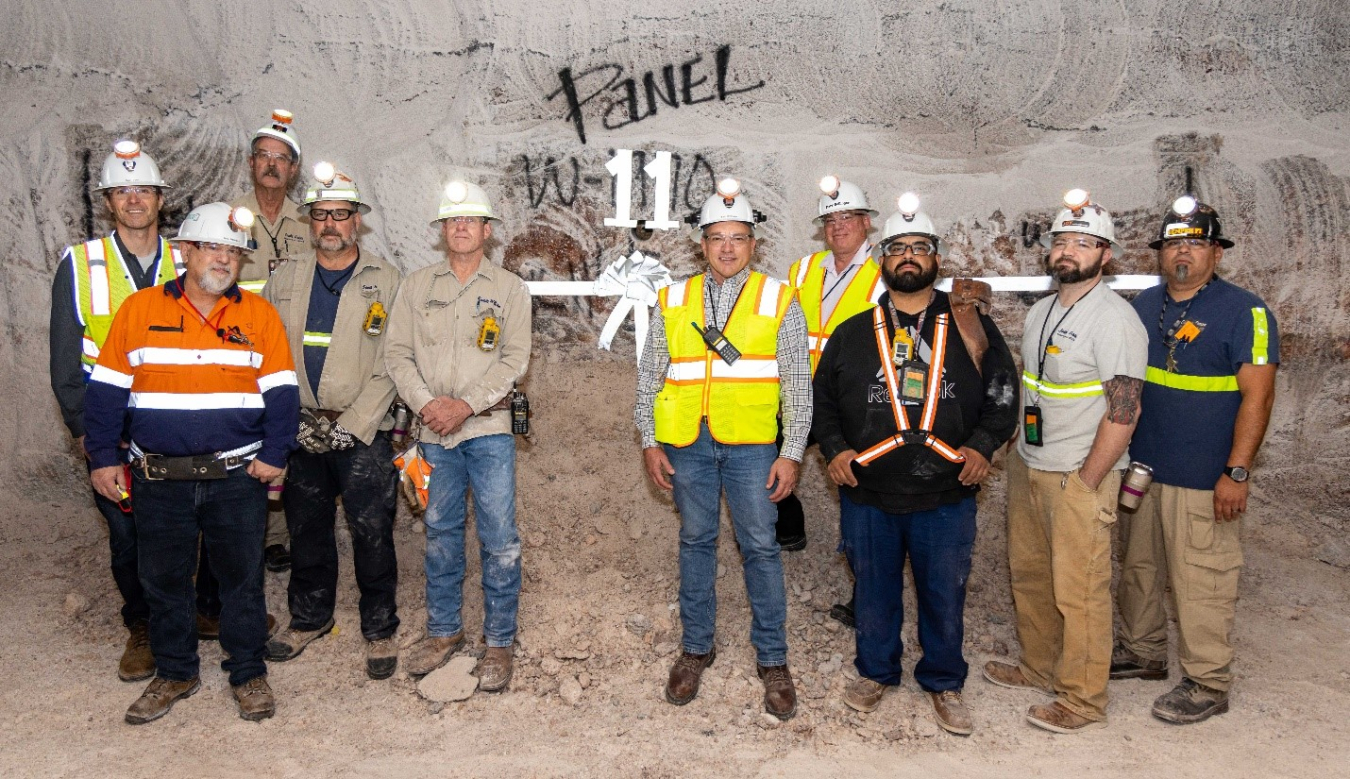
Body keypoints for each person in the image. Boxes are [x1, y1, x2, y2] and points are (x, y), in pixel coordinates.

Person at [84, 203, 299, 724]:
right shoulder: (138, 311)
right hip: (158, 477)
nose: (224, 259)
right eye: (212, 247)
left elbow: (283, 394)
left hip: (234, 476)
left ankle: (248, 673)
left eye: (233, 251)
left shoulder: (258, 316)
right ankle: (176, 670)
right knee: (164, 580)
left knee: (241, 580)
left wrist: (274, 455)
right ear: (185, 252)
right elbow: (107, 392)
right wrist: (102, 459)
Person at [813, 194, 1018, 735]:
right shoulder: (854, 331)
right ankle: (875, 671)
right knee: (874, 589)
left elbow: (1002, 392)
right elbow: (823, 400)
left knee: (943, 591)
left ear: (936, 259)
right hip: (870, 490)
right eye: (898, 248)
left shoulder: (969, 324)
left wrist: (982, 445)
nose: (908, 257)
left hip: (947, 488)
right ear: (882, 259)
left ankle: (944, 680)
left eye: (919, 248)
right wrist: (834, 449)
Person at [635, 179, 810, 721]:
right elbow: (650, 375)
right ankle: (696, 648)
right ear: (701, 244)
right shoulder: (675, 298)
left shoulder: (779, 299)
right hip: (687, 443)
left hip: (754, 445)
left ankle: (774, 661)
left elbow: (798, 385)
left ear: (754, 243)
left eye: (738, 237)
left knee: (760, 546)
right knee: (695, 541)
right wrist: (648, 439)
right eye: (717, 238)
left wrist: (793, 451)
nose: (727, 247)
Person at [982, 189, 1148, 734]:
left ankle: (1081, 700)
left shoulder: (1116, 320)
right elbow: (1033, 387)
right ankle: (1040, 666)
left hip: (1079, 472)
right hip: (1031, 463)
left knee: (1079, 589)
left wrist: (1088, 481)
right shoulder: (1043, 311)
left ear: (1106, 255)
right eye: (1060, 241)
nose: (1067, 251)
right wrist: (1013, 448)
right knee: (1031, 574)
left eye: (1083, 242)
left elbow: (1123, 412)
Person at [1112, 195, 1279, 724]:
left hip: (1205, 478)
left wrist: (1236, 471)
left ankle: (1208, 679)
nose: (1183, 253)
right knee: (1139, 567)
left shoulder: (1246, 312)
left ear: (1217, 253)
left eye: (1196, 243)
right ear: (1161, 253)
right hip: (1143, 469)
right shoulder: (1143, 304)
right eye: (1173, 244)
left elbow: (1259, 398)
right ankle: (1144, 653)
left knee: (1202, 576)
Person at [384, 180, 530, 691]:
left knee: (499, 539)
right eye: (452, 220)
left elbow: (515, 360)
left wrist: (464, 405)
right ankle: (444, 632)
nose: (461, 227)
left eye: (470, 220)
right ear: (442, 230)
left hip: (488, 430)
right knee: (441, 532)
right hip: (432, 432)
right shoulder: (417, 286)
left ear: (487, 231)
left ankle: (499, 642)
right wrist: (428, 406)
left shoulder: (509, 289)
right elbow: (397, 353)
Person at [261, 165, 403, 679]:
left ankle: (380, 628)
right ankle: (309, 618)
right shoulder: (286, 276)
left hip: (361, 431)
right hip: (300, 427)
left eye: (340, 215)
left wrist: (357, 422)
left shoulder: (385, 280)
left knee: (371, 530)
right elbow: (266, 348)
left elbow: (395, 359)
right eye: (320, 215)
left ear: (357, 221)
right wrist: (286, 420)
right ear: (310, 220)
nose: (330, 225)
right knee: (307, 529)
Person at [49, 140, 183, 683]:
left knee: (188, 523)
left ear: (159, 199)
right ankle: (144, 624)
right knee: (127, 531)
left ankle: (196, 610)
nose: (133, 200)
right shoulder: (80, 263)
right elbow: (64, 358)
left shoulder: (186, 257)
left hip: (179, 420)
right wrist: (87, 434)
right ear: (108, 201)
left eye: (143, 189)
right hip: (115, 428)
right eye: (122, 190)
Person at [777, 176, 885, 558]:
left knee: (857, 482)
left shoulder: (886, 273)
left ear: (866, 222)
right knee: (764, 460)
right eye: (830, 221)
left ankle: (866, 570)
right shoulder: (802, 270)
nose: (838, 227)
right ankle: (788, 532)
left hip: (851, 399)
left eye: (848, 218)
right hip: (797, 390)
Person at [230, 109, 307, 572]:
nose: (272, 165)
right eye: (264, 156)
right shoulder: (230, 219)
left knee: (286, 436)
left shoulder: (309, 220)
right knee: (244, 437)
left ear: (293, 168)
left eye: (282, 159)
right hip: (240, 346)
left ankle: (279, 536)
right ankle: (248, 534)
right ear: (251, 162)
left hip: (293, 348)